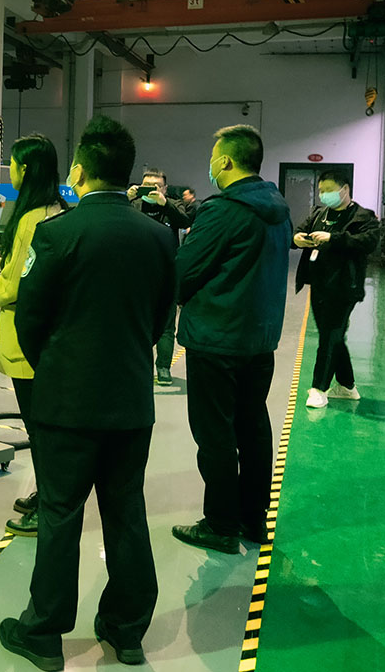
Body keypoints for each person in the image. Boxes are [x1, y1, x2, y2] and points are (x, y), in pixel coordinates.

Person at [0, 116, 175, 671]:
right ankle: (126, 630)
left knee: (60, 513)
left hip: (66, 402)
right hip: (130, 401)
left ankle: (44, 633)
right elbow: (160, 318)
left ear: (80, 170)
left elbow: (30, 317)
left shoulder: (57, 233)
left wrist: (55, 368)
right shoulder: (158, 237)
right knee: (126, 511)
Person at [171, 125, 291, 555]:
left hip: (216, 340)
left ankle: (220, 523)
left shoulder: (223, 210)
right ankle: (253, 519)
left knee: (215, 434)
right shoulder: (277, 208)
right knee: (253, 427)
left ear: (226, 161)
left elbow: (182, 273)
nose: (211, 166)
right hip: (259, 340)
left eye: (213, 158)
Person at [0, 134, 67, 538]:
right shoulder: (58, 210)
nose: (9, 171)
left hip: (27, 339)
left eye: (12, 164)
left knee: (39, 427)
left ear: (26, 169)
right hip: (51, 336)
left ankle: (50, 505)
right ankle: (47, 493)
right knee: (44, 424)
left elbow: (14, 285)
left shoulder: (31, 219)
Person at [293, 170, 381, 408]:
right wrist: (297, 238)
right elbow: (297, 232)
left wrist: (334, 238)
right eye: (321, 190)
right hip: (319, 284)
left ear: (345, 189)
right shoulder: (319, 214)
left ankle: (318, 388)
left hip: (344, 287)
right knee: (333, 335)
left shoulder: (363, 217)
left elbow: (368, 242)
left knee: (330, 334)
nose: (324, 195)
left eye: (329, 190)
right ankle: (346, 386)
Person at [126, 168, 191, 384]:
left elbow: (185, 221)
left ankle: (163, 368)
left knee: (166, 325)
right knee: (136, 324)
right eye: (146, 186)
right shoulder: (134, 204)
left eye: (156, 186)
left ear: (164, 188)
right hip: (137, 273)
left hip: (166, 273)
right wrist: (126, 198)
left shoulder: (173, 204)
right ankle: (138, 366)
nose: (151, 190)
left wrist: (165, 203)